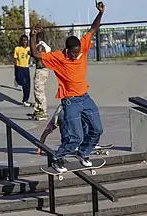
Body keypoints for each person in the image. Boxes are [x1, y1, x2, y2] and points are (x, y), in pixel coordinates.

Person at [30, 0, 105, 172]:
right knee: (76, 135)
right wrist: (33, 35)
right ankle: (58, 158)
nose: (75, 55)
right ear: (67, 50)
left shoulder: (83, 46)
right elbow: (35, 53)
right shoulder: (57, 57)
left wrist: (100, 13)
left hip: (85, 97)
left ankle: (84, 153)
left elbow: (93, 29)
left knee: (97, 129)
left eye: (77, 52)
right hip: (70, 101)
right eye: (72, 53)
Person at [37, 104, 105, 155]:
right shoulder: (63, 111)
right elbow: (48, 128)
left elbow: (47, 130)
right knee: (85, 122)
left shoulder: (63, 109)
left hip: (69, 141)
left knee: (84, 122)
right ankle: (83, 145)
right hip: (69, 141)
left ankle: (83, 145)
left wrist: (40, 146)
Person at [28, 32, 51, 120]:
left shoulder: (40, 46)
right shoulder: (46, 46)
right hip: (43, 70)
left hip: (41, 70)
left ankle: (42, 110)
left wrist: (32, 54)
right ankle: (37, 109)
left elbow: (39, 56)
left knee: (39, 90)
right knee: (37, 89)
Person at [14, 34, 32, 107]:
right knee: (22, 82)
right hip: (19, 67)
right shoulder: (17, 48)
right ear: (21, 41)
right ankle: (17, 79)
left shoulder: (29, 49)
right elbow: (15, 59)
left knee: (28, 85)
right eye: (23, 40)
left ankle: (25, 100)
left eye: (26, 40)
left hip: (26, 67)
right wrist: (15, 70)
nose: (24, 42)